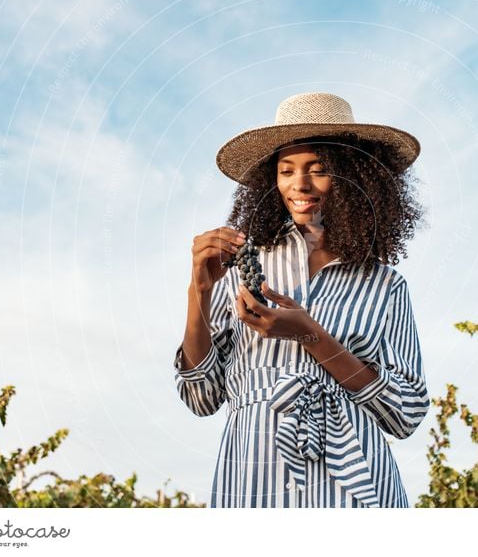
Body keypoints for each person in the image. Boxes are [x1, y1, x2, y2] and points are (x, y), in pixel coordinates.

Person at [173, 92, 430, 508]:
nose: (300, 184)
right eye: (286, 170)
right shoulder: (243, 265)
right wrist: (198, 290)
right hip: (254, 478)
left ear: (354, 177)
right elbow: (201, 396)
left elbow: (406, 414)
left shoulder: (384, 285)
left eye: (319, 169)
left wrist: (312, 335)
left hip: (357, 489)